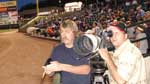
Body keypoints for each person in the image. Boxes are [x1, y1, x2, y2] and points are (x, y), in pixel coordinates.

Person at [43, 19, 91, 84]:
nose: (64, 35)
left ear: (74, 32)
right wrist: (50, 71)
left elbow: (87, 69)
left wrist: (61, 66)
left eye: (67, 32)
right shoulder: (57, 49)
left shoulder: (83, 46)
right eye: (62, 32)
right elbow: (52, 72)